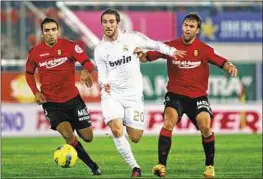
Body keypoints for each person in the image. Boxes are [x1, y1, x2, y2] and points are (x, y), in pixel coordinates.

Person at [138, 13, 238, 178]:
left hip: (198, 97)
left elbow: (222, 61)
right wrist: (140, 54)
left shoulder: (204, 49)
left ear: (197, 30)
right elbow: (147, 57)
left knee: (205, 126)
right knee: (168, 122)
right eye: (186, 25)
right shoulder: (171, 46)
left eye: (192, 26)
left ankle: (209, 166)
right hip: (175, 95)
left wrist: (229, 66)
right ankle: (161, 165)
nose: (187, 29)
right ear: (182, 27)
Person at [94, 9, 186, 177]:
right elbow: (101, 73)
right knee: (116, 129)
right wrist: (104, 83)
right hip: (112, 94)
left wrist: (172, 52)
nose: (108, 25)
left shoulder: (133, 38)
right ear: (101, 24)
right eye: (105, 22)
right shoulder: (100, 49)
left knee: (135, 137)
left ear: (118, 23)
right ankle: (135, 167)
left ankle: (118, 135)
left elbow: (156, 44)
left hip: (133, 96)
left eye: (111, 22)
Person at [25, 17, 101, 175]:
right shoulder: (35, 52)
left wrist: (86, 71)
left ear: (58, 31)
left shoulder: (70, 46)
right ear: (42, 33)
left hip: (73, 100)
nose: (51, 33)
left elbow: (88, 63)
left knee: (88, 137)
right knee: (67, 134)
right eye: (47, 30)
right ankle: (93, 166)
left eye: (53, 30)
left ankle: (75, 133)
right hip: (51, 103)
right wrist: (36, 91)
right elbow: (29, 73)